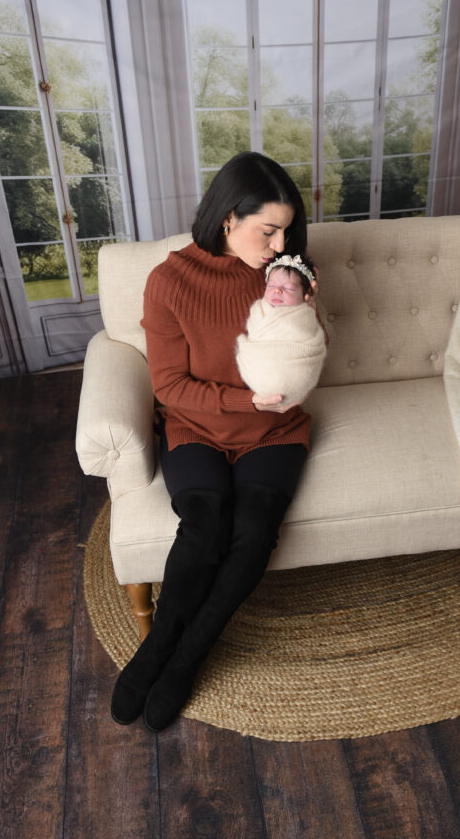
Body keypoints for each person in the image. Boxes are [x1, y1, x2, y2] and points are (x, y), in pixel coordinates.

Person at [111, 151, 314, 732]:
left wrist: (306, 310)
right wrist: (241, 400)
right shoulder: (170, 280)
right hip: (196, 427)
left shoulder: (285, 275)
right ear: (229, 217)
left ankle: (186, 656)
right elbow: (170, 386)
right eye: (268, 229)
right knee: (204, 526)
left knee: (252, 534)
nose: (280, 244)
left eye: (286, 231)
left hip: (273, 431)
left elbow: (307, 357)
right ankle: (156, 651)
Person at [235, 254, 327, 407]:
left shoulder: (303, 315)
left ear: (305, 295)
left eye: (288, 288)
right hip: (258, 371)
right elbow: (253, 333)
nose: (277, 291)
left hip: (295, 373)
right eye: (270, 286)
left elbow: (311, 341)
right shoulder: (259, 309)